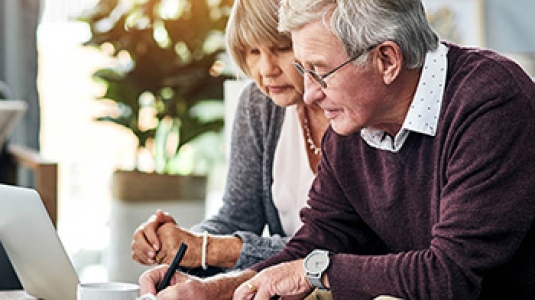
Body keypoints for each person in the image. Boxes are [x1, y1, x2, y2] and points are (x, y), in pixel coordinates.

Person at [139, 0, 535, 299]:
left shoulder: (491, 102)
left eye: (319, 71)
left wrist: (317, 270)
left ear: (386, 59)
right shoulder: (353, 124)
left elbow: (451, 274)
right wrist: (211, 291)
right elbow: (315, 244)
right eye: (305, 71)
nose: (309, 93)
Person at [131, 0, 329, 275]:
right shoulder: (259, 104)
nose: (266, 69)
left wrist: (205, 248)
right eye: (253, 51)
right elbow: (237, 217)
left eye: (282, 48)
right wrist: (178, 245)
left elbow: (338, 250)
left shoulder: (353, 107)